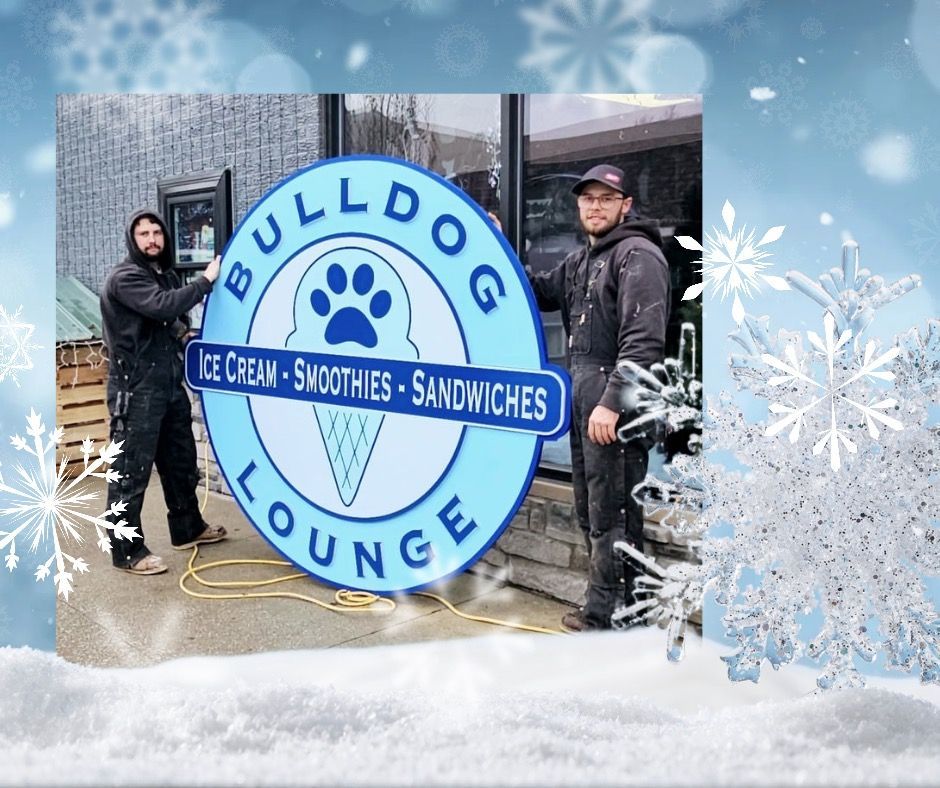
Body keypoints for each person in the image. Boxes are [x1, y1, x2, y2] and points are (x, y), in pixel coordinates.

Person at [526, 164, 670, 631]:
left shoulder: (638, 257)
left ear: (625, 205)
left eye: (606, 199)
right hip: (585, 402)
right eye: (588, 199)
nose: (595, 206)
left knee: (614, 516)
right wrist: (491, 245)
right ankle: (627, 612)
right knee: (594, 512)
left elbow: (643, 343)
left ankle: (607, 618)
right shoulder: (580, 262)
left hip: (616, 408)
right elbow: (535, 292)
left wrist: (611, 402)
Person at [99, 209, 226, 575]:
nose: (152, 239)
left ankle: (188, 528)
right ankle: (126, 551)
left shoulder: (163, 275)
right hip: (135, 390)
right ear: (132, 240)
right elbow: (161, 306)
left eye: (157, 232)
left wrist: (184, 333)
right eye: (144, 234)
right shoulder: (125, 278)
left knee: (180, 461)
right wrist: (204, 282)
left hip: (168, 385)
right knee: (130, 472)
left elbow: (169, 319)